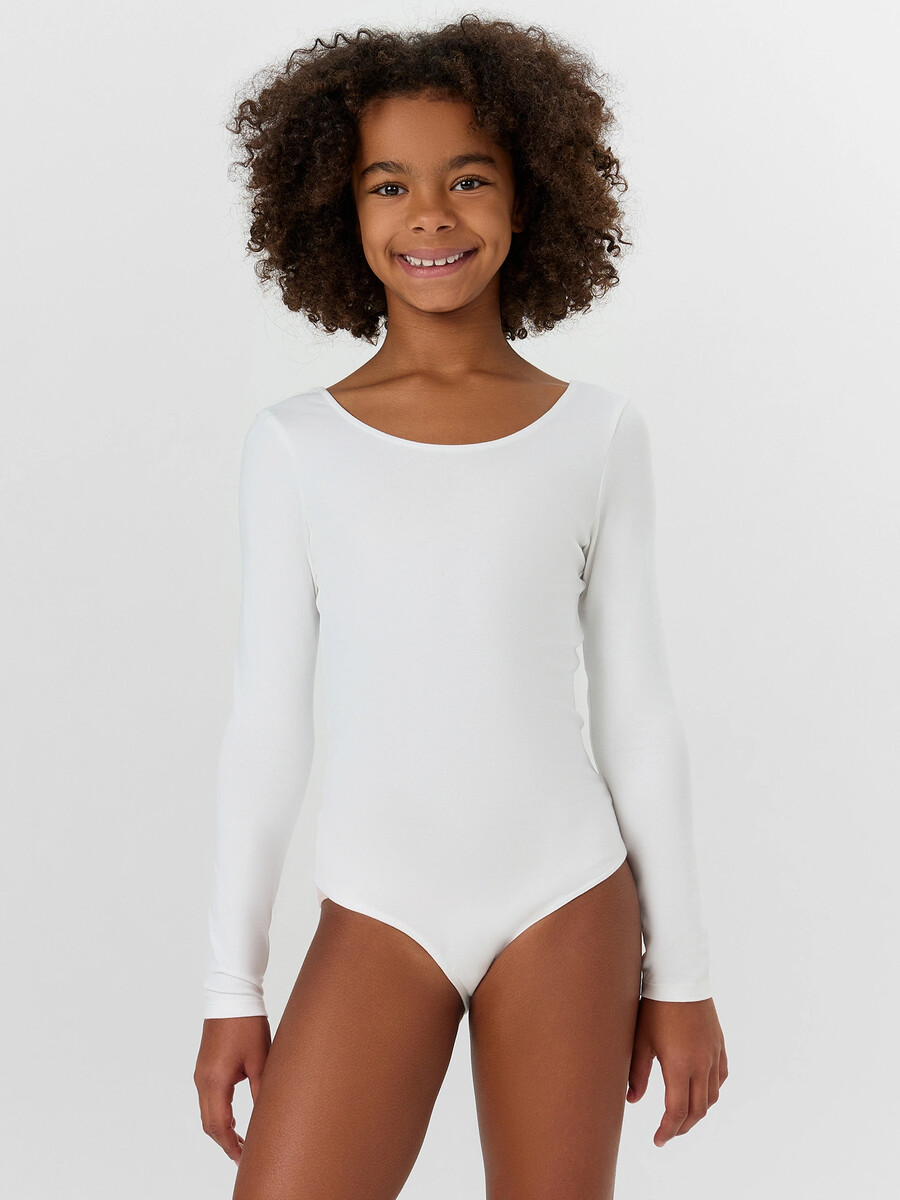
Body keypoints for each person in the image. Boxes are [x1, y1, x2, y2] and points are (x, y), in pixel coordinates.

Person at [193, 16, 728, 1199]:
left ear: (526, 199)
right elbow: (265, 725)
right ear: (342, 211)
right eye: (390, 185)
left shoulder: (598, 434)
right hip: (380, 906)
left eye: (468, 179)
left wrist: (682, 974)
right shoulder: (295, 445)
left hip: (566, 896)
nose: (430, 216)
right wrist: (233, 986)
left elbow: (637, 711)